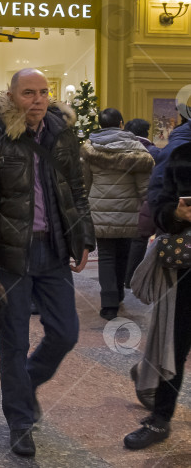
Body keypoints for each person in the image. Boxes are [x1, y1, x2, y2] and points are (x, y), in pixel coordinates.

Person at [0, 68, 94, 457]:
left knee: (65, 333)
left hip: (54, 250)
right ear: (11, 96)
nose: (37, 100)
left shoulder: (62, 135)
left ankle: (28, 382)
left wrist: (83, 236)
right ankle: (20, 422)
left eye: (43, 92)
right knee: (14, 344)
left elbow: (76, 189)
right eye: (28, 93)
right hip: (9, 257)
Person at [123, 137, 191, 450]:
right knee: (174, 343)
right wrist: (176, 214)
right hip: (187, 268)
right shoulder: (182, 156)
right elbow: (160, 208)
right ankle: (160, 418)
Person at [81, 108, 152, 320]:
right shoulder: (136, 148)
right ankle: (119, 294)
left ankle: (108, 303)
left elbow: (85, 182)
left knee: (106, 256)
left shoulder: (90, 148)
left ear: (100, 124)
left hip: (100, 209)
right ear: (121, 123)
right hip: (130, 211)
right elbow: (144, 188)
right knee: (124, 253)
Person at [124, 118, 162, 288]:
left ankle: (122, 278)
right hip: (145, 201)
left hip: (120, 201)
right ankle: (132, 278)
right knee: (139, 240)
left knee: (120, 242)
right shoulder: (154, 152)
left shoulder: (120, 149)